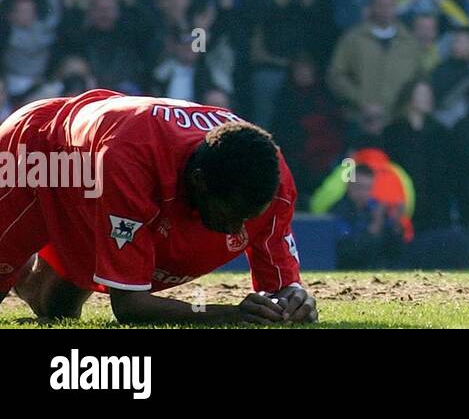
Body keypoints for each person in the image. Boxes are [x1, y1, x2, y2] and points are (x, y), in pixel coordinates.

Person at [0, 88, 315, 324]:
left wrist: (295, 300)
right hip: (38, 152)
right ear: (199, 180)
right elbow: (129, 307)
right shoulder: (130, 163)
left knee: (57, 310)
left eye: (249, 217)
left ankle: (31, 278)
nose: (237, 229)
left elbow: (283, 289)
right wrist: (228, 314)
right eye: (231, 215)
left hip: (96, 164)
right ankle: (24, 269)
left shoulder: (271, 177)